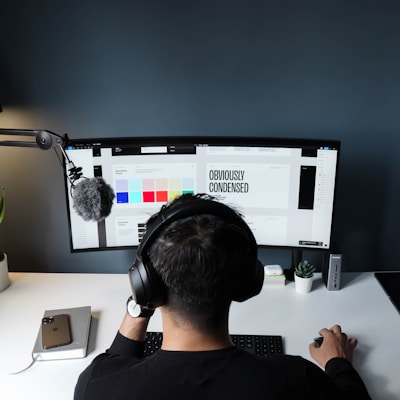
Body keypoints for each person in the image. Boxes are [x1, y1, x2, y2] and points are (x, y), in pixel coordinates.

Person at [74, 193, 371, 400]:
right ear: (247, 283)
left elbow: (115, 363)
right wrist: (338, 363)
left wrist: (140, 303)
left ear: (146, 286)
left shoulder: (98, 386)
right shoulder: (295, 380)